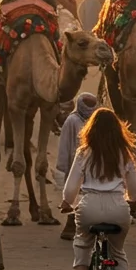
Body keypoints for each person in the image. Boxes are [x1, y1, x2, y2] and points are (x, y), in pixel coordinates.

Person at [61, 107, 136, 270]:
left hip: (89, 207)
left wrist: (66, 203)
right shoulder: (125, 153)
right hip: (118, 208)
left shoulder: (84, 152)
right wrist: (132, 198)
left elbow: (70, 191)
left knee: (83, 241)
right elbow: (134, 192)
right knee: (118, 252)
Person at [56, 92, 98, 240]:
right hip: (75, 164)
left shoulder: (94, 121)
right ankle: (70, 226)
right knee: (74, 195)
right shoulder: (72, 121)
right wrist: (63, 166)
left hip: (91, 166)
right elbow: (64, 145)